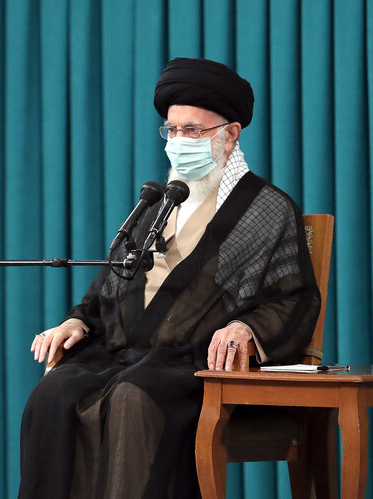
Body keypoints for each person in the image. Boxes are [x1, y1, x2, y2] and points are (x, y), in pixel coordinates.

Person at [18, 58, 321, 499]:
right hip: (122, 355)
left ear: (230, 134)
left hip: (193, 366)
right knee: (53, 394)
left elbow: (292, 297)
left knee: (134, 396)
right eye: (172, 130)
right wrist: (77, 321)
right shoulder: (158, 204)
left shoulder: (265, 208)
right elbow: (109, 285)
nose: (179, 141)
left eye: (193, 131)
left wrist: (246, 328)